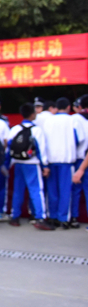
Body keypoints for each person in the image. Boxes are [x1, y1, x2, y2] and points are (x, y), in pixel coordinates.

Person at [43, 97, 85, 228]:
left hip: (51, 160)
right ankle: (64, 218)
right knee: (66, 191)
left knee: (52, 191)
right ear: (68, 107)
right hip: (67, 161)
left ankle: (53, 216)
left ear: (56, 107)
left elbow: (43, 139)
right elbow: (80, 139)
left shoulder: (48, 120)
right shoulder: (72, 120)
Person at [8, 103, 50, 230]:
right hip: (32, 163)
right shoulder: (37, 130)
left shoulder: (15, 129)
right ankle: (40, 217)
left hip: (18, 163)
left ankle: (15, 216)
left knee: (18, 191)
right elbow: (42, 150)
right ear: (33, 114)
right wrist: (45, 166)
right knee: (36, 190)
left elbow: (8, 148)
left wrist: (7, 165)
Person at [70, 95, 88, 228]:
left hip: (80, 159)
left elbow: (76, 139)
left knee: (76, 190)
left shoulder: (76, 118)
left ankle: (74, 218)